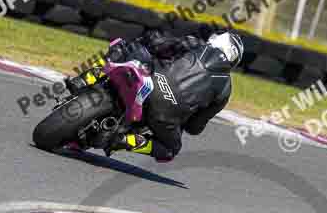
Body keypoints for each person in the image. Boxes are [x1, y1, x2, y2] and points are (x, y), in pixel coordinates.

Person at [64, 29, 244, 162]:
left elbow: (157, 43)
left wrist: (149, 47)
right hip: (165, 115)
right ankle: (124, 140)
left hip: (149, 80)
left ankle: (87, 77)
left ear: (218, 40)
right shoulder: (225, 89)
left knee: (127, 47)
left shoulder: (195, 43)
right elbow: (195, 127)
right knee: (170, 150)